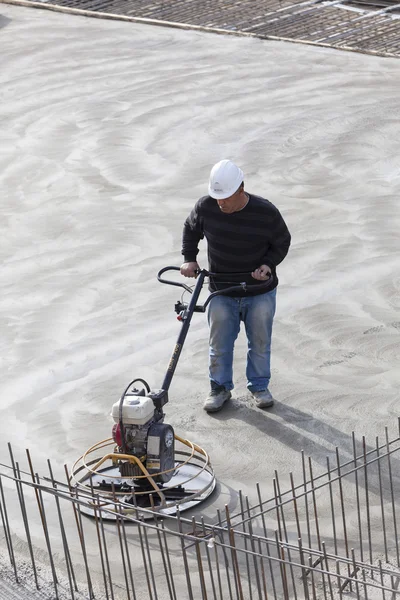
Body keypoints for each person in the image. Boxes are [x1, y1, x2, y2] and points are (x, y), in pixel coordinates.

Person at [180, 159, 291, 413]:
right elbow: (190, 228)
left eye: (226, 197)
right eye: (217, 197)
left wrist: (268, 265)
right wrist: (189, 258)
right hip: (221, 289)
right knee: (218, 343)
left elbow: (282, 241)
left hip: (259, 291)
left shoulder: (265, 212)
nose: (221, 202)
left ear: (241, 189)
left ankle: (259, 387)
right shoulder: (206, 207)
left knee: (260, 342)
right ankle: (219, 388)